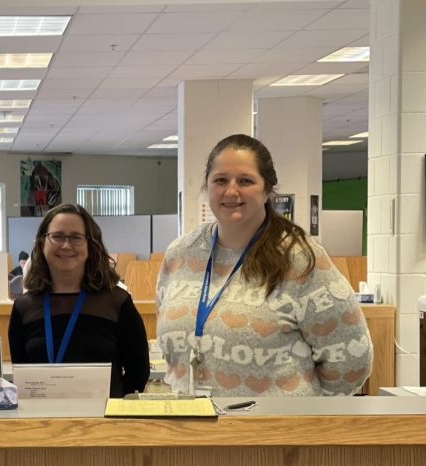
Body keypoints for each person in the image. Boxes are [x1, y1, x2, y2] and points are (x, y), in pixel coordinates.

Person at [156, 133, 373, 396]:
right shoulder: (181, 253)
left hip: (274, 432)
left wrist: (303, 414)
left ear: (267, 189)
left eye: (245, 181)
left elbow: (352, 360)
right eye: (220, 180)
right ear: (208, 186)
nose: (231, 191)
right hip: (190, 427)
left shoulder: (299, 258)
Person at [8, 203, 150, 397]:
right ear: (42, 243)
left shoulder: (117, 303)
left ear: (90, 245)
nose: (66, 245)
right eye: (57, 236)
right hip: (41, 422)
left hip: (104, 422)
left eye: (76, 237)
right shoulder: (24, 308)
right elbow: (21, 372)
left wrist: (112, 402)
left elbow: (138, 374)